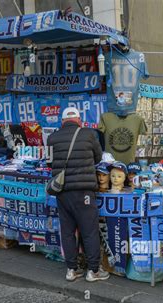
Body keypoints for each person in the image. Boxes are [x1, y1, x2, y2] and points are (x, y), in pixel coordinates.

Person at [48, 107, 109, 282]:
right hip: (84, 192)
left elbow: (50, 163)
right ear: (79, 121)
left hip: (62, 192)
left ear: (62, 122)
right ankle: (93, 271)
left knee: (67, 231)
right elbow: (98, 158)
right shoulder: (89, 134)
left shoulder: (52, 138)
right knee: (89, 231)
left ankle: (71, 270)